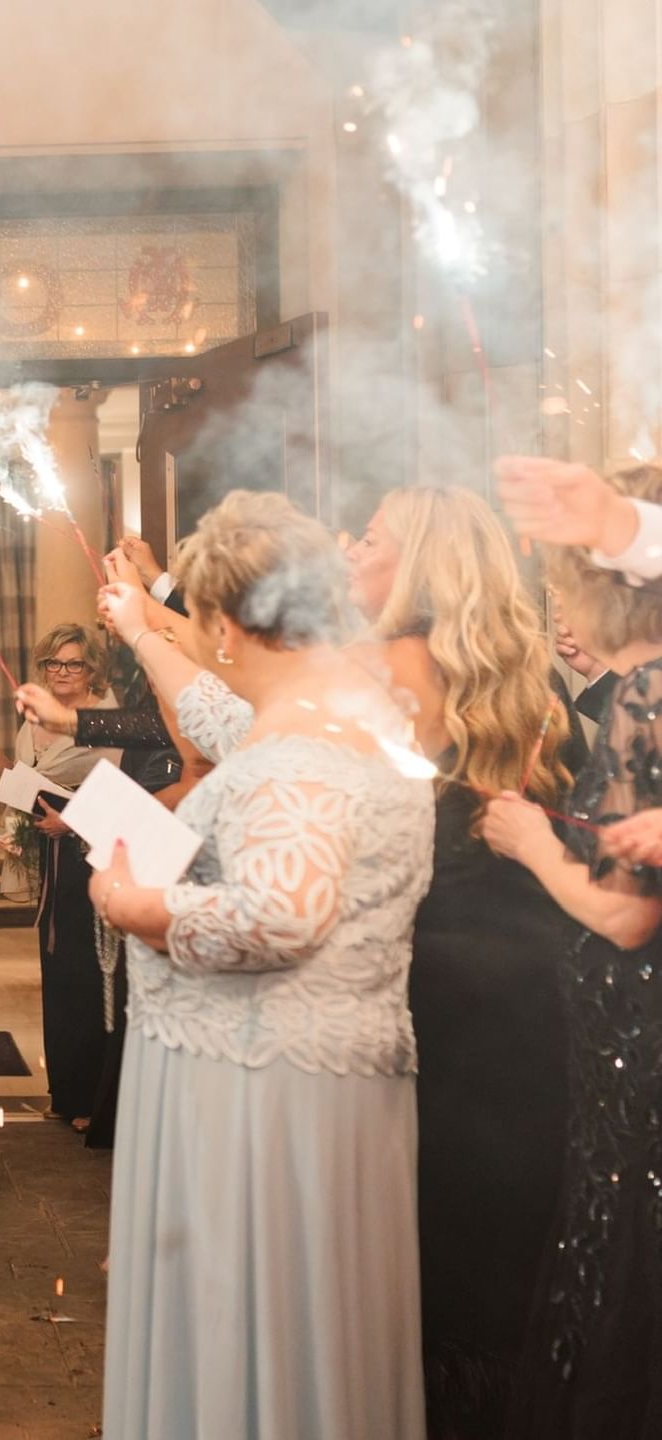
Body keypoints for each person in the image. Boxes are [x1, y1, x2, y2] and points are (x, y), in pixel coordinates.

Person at [88, 490, 433, 1438]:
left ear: (231, 627)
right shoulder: (342, 710)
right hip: (308, 1078)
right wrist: (145, 632)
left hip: (257, 1096)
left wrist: (135, 903)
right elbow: (240, 735)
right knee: (301, 1339)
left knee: (250, 1329)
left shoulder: (304, 749)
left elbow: (283, 911)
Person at [344, 484, 585, 1437]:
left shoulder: (392, 674)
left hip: (436, 992)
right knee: (492, 1264)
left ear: (415, 567)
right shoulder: (519, 680)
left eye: (367, 537)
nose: (349, 549)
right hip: (519, 996)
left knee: (432, 1261)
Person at [480, 462, 662, 1439]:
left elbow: (629, 917)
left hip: (636, 1027)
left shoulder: (648, 694)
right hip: (626, 1033)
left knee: (623, 1242)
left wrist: (537, 845)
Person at [0, 623, 120, 1130]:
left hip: (98, 854)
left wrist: (72, 822)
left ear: (92, 668)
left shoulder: (111, 716)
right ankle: (66, 1092)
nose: (61, 673)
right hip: (55, 855)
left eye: (72, 663)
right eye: (52, 663)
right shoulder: (35, 720)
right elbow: (36, 792)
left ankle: (98, 1099)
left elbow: (128, 789)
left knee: (95, 976)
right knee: (59, 972)